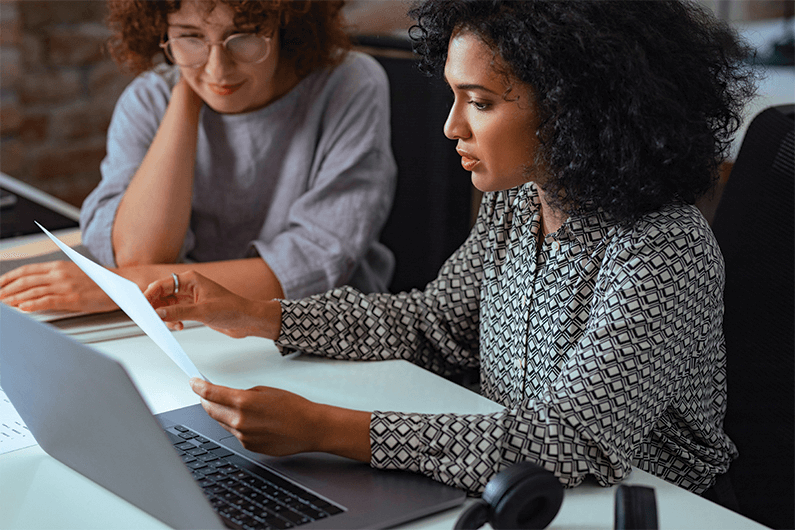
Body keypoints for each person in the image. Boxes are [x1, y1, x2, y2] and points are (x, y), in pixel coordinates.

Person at [144, 0, 757, 498]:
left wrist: (328, 429)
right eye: (455, 96)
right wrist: (255, 315)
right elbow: (434, 325)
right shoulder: (519, 202)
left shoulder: (662, 247)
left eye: (481, 102)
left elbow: (576, 443)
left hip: (645, 503)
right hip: (511, 483)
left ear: (573, 109)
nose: (451, 126)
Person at [0, 0, 396, 313]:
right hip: (192, 327)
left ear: (286, 26)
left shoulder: (350, 84)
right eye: (190, 36)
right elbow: (139, 254)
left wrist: (124, 290)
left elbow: (313, 267)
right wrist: (187, 96)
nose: (218, 67)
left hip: (318, 332)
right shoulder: (151, 97)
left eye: (243, 35)